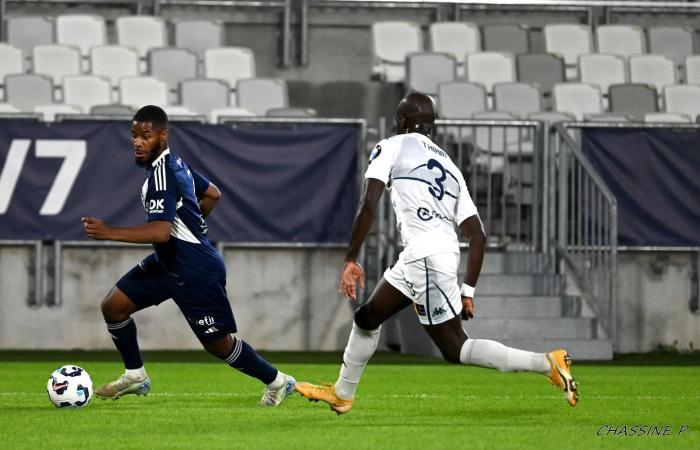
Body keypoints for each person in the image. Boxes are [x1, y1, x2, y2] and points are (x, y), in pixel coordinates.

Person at [295, 93, 578, 413]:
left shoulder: (391, 145)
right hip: (427, 255)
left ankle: (547, 364)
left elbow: (369, 202)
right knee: (367, 317)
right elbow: (478, 235)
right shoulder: (450, 166)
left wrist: (350, 258)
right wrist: (467, 288)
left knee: (455, 348)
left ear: (401, 122)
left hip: (425, 258)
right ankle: (342, 393)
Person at [82, 105, 295, 406]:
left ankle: (278, 381)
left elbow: (160, 233)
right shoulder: (176, 163)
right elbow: (212, 194)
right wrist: (195, 227)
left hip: (196, 270)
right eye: (134, 136)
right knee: (114, 306)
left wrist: (108, 232)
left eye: (146, 136)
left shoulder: (163, 175)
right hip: (168, 263)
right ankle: (135, 375)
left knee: (218, 345)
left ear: (163, 136)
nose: (138, 142)